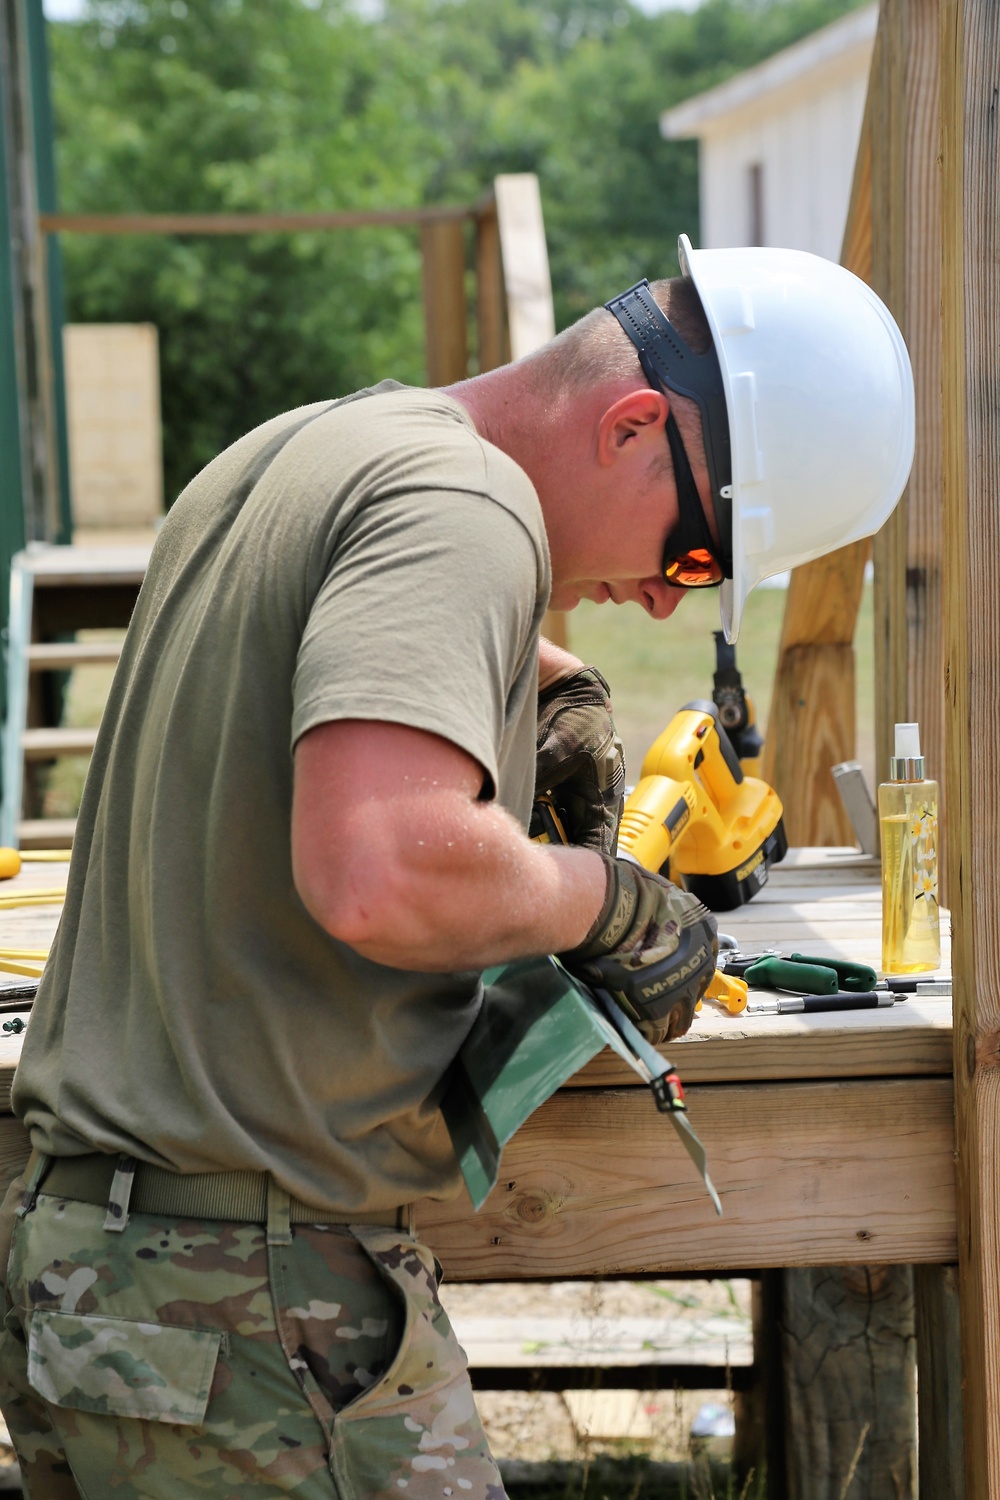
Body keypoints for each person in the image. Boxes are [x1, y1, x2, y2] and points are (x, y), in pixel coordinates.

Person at [0, 236, 913, 1498]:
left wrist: (540, 682)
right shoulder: (463, 509)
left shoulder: (297, 451)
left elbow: (313, 652)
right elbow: (379, 868)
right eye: (694, 553)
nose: (663, 603)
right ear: (634, 424)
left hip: (99, 1263)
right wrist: (610, 903)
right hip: (249, 1300)